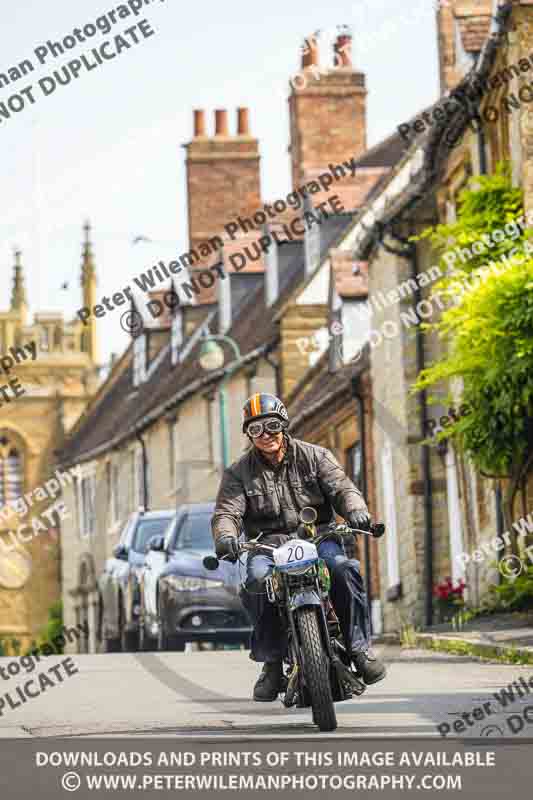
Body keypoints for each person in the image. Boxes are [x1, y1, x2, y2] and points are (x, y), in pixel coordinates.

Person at [211, 392, 386, 702]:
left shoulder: (315, 456)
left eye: (272, 426)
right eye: (255, 429)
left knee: (345, 569)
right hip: (267, 545)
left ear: (284, 425)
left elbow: (343, 487)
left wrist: (356, 509)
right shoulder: (238, 473)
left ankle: (359, 650)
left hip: (316, 537)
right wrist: (226, 537)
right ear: (248, 435)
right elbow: (227, 512)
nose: (265, 435)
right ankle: (272, 663)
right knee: (255, 582)